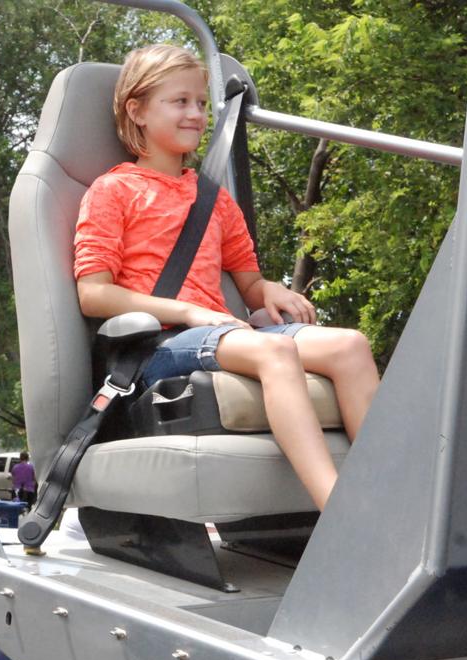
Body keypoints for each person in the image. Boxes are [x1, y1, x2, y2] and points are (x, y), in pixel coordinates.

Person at [74, 45, 381, 510]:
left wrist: (270, 290)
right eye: (180, 102)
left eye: (200, 103)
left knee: (351, 345)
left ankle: (386, 495)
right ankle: (342, 512)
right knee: (275, 349)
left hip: (214, 332)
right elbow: (92, 294)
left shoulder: (213, 199)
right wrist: (190, 311)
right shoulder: (113, 191)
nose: (195, 114)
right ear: (136, 110)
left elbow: (250, 285)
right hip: (157, 345)